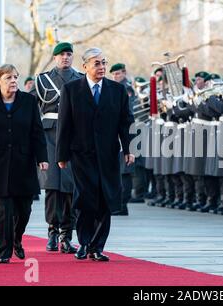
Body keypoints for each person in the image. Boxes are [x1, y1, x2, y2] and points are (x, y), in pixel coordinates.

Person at [56, 48, 135, 261]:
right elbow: (64, 124)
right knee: (85, 199)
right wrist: (61, 155)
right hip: (81, 155)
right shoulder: (71, 89)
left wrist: (129, 149)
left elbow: (126, 122)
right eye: (96, 63)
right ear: (85, 67)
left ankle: (97, 247)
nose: (101, 67)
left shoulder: (117, 91)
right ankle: (84, 243)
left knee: (105, 199)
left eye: (103, 63)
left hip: (108, 155)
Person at [0, 64, 48, 263]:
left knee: (24, 209)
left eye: (15, 77)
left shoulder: (29, 101)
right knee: (4, 210)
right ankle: (4, 253)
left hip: (23, 164)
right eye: (8, 77)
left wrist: (43, 158)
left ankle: (16, 239)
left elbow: (37, 132)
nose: (13, 81)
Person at [31, 42, 82, 253]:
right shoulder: (43, 80)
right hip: (50, 135)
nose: (65, 58)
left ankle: (67, 235)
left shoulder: (80, 79)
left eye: (69, 54)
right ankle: (52, 231)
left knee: (70, 187)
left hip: (73, 136)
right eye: (61, 55)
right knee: (52, 187)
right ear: (54, 58)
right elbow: (32, 108)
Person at [110, 62, 136, 215]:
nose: (115, 76)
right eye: (113, 74)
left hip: (125, 131)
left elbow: (128, 112)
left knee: (125, 170)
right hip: (116, 131)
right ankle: (118, 203)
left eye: (118, 74)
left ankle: (122, 204)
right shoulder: (115, 89)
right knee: (119, 169)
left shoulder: (126, 89)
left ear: (124, 73)